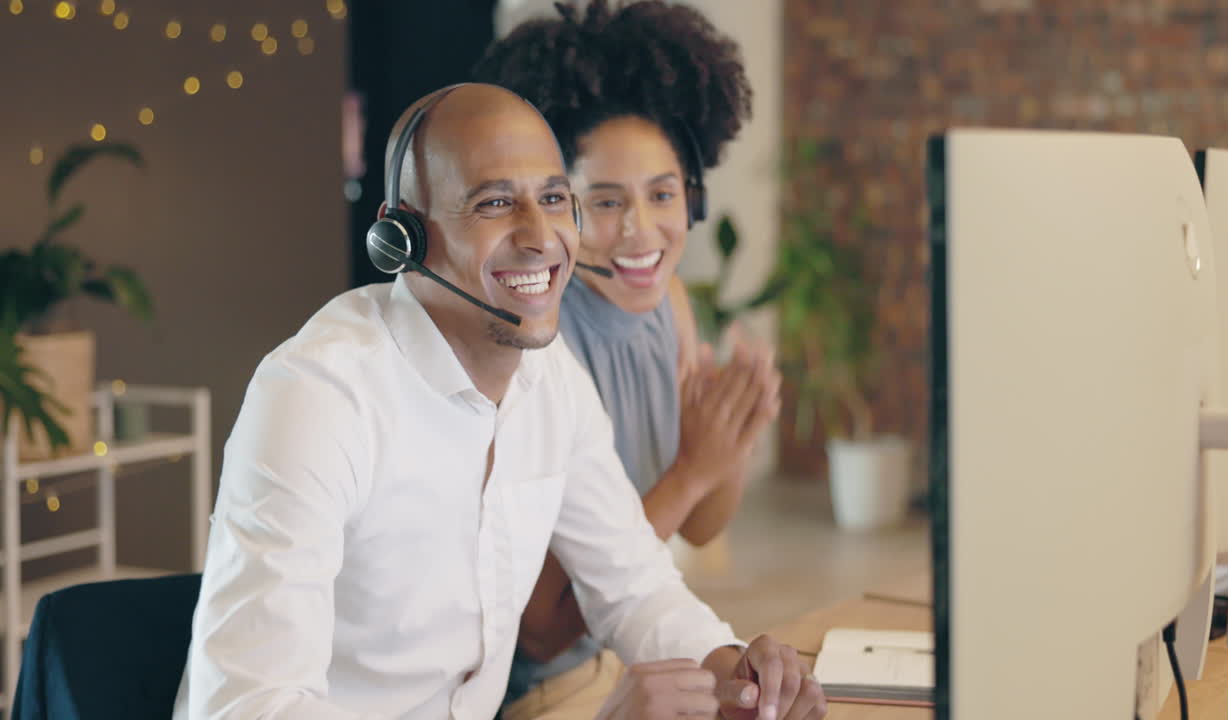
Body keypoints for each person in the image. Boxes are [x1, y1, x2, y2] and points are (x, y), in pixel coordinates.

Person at [171, 83, 823, 720]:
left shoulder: (551, 380)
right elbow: (248, 706)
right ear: (402, 238)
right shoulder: (318, 397)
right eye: (494, 204)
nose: (541, 236)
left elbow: (636, 587)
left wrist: (737, 672)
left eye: (553, 198)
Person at [472, 3, 788, 718]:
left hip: (631, 656)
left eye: (663, 195)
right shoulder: (537, 345)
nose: (641, 232)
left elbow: (702, 524)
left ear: (693, 198)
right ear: (555, 207)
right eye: (604, 202)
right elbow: (546, 629)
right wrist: (692, 467)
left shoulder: (667, 302)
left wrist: (730, 439)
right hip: (534, 691)